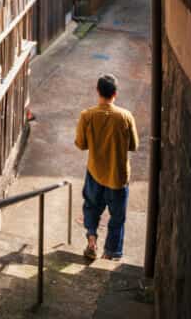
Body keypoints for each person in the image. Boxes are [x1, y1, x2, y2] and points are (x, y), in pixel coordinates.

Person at [74, 73, 139, 261]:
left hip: (95, 172)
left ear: (97, 91)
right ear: (115, 93)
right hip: (118, 177)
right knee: (117, 217)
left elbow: (81, 144)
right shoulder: (125, 116)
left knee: (91, 207)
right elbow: (134, 145)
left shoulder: (87, 116)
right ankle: (110, 254)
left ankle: (91, 240)